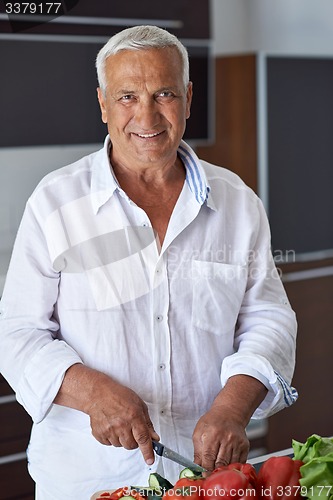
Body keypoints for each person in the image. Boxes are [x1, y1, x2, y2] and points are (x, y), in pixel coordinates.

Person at [0, 25, 297, 499]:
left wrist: (233, 408)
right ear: (101, 103)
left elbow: (268, 316)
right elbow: (16, 334)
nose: (147, 115)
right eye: (127, 97)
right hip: (87, 479)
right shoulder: (54, 204)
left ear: (188, 96)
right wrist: (92, 392)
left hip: (203, 480)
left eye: (164, 93)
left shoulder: (238, 202)